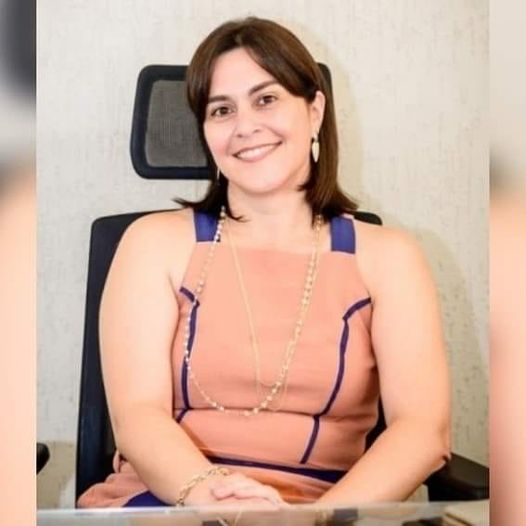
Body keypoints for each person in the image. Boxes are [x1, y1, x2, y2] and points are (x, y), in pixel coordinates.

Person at [77, 16, 451, 510]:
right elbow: (138, 417)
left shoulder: (390, 257)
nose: (245, 126)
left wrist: (313, 521)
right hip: (172, 500)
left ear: (314, 111)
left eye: (266, 99)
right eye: (221, 110)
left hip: (328, 509)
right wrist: (214, 498)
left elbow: (422, 431)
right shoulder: (151, 244)